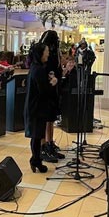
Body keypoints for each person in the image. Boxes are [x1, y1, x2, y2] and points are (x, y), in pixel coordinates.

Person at [24, 42, 59, 173]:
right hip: (36, 107)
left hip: (36, 106)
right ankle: (35, 160)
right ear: (41, 53)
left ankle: (36, 160)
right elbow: (43, 90)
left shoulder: (36, 67)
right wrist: (53, 82)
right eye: (46, 52)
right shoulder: (38, 69)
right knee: (36, 135)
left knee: (37, 135)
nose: (48, 54)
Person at [39, 30, 64, 162]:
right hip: (46, 89)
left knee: (51, 118)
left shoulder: (55, 52)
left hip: (54, 89)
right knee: (45, 118)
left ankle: (50, 143)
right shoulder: (43, 53)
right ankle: (43, 146)